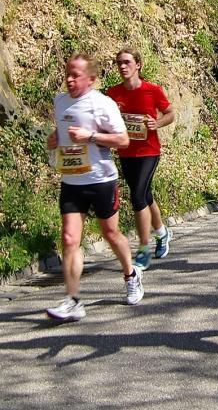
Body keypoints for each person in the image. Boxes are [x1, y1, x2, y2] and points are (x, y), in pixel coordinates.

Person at [45, 53, 144, 321]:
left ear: (91, 79)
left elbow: (123, 140)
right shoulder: (60, 100)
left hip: (101, 180)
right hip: (71, 181)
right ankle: (73, 300)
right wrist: (55, 139)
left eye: (75, 75)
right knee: (69, 239)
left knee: (111, 234)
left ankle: (130, 274)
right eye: (67, 73)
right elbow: (61, 132)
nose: (69, 79)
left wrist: (90, 136)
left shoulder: (103, 104)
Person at [107, 49, 175, 270]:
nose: (123, 66)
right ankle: (162, 233)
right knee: (145, 195)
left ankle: (143, 249)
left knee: (137, 197)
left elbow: (170, 113)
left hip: (149, 151)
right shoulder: (113, 93)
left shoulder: (152, 90)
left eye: (127, 62)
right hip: (126, 152)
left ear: (138, 65)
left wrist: (158, 123)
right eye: (119, 63)